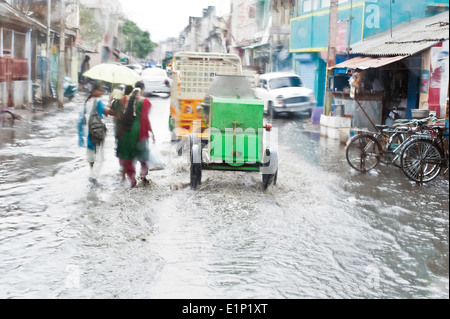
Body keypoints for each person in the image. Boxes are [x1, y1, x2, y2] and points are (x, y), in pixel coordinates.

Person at [117, 81, 155, 187]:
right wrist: (152, 132)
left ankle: (132, 181)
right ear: (142, 90)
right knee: (142, 156)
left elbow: (118, 117)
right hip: (139, 132)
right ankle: (143, 177)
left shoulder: (125, 100)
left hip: (126, 133)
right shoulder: (145, 102)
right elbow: (145, 120)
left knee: (128, 158)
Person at [77, 81, 109, 186]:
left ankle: (92, 173)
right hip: (97, 132)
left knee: (91, 154)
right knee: (99, 156)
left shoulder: (87, 101)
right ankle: (93, 177)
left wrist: (80, 134)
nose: (101, 92)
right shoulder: (98, 102)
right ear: (94, 91)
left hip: (88, 131)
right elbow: (106, 112)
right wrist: (112, 102)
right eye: (99, 90)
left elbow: (82, 118)